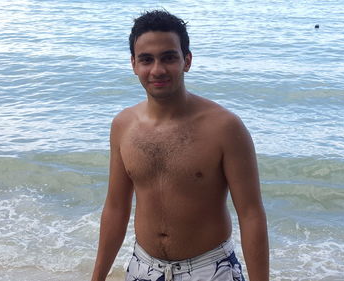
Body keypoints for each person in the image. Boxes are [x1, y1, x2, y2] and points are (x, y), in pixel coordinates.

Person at [91, 10, 269, 281]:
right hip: (144, 267)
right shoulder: (123, 126)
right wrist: (97, 277)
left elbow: (251, 214)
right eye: (146, 60)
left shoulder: (224, 127)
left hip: (210, 268)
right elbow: (116, 208)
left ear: (187, 60)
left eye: (169, 57)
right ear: (133, 64)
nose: (157, 70)